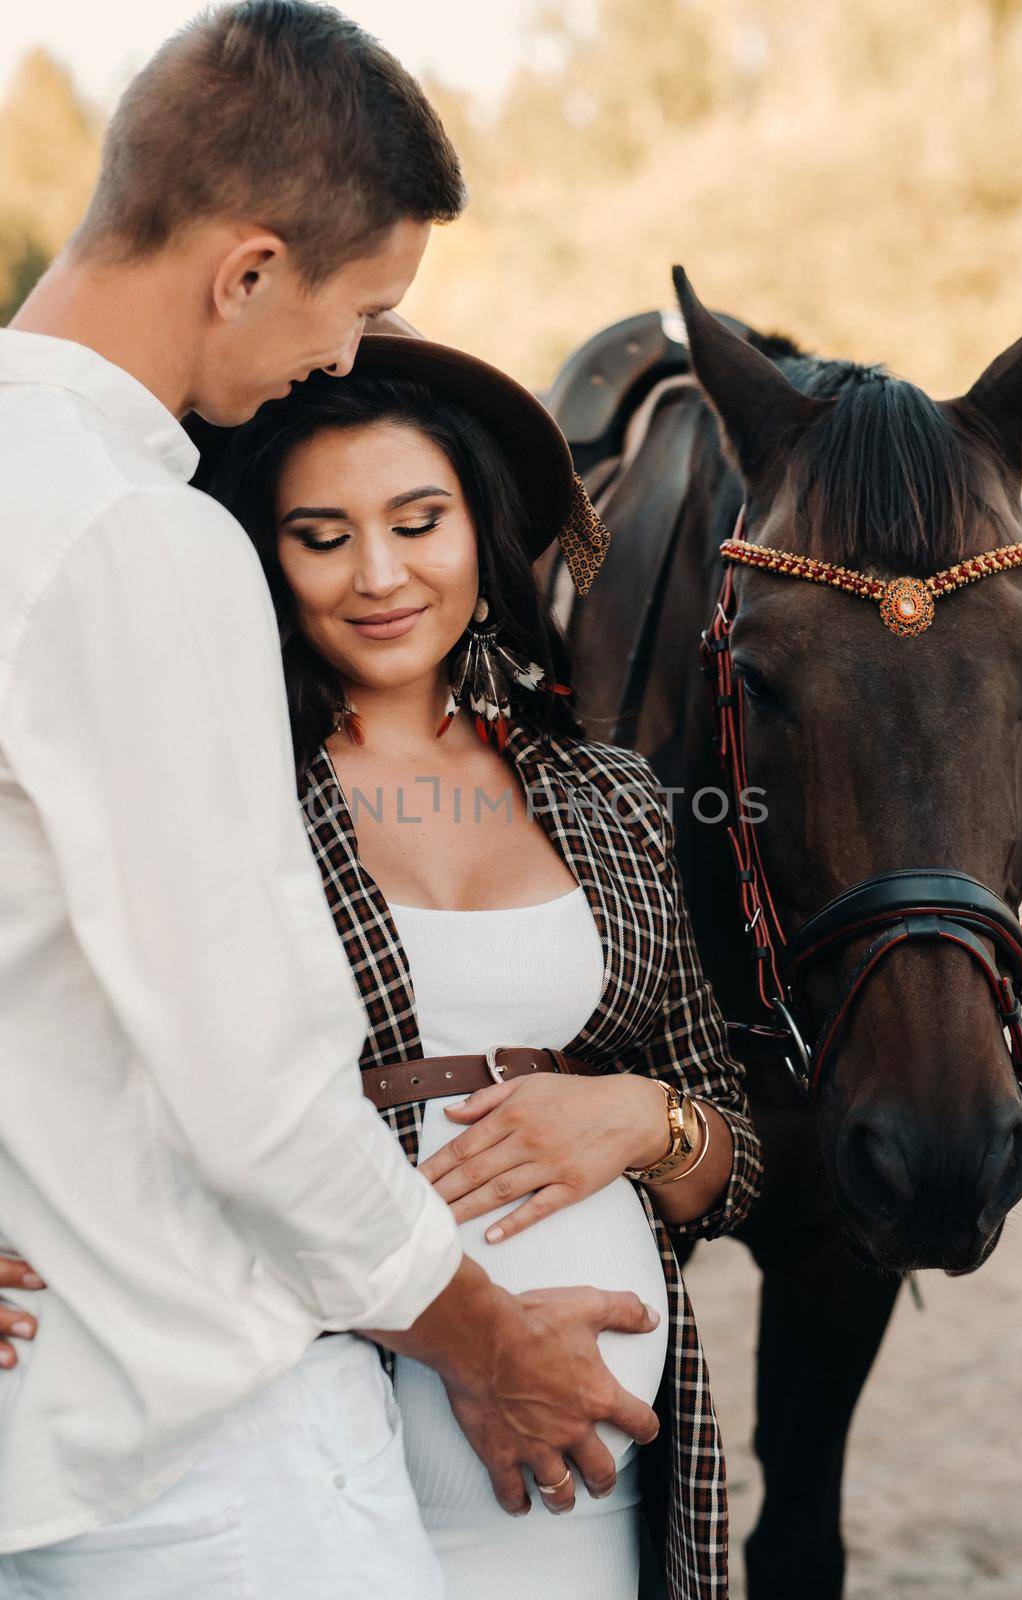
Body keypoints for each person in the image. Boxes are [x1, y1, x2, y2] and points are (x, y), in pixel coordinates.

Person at [0, 5, 662, 1595]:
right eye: (355, 306)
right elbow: (249, 1078)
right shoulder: (133, 538)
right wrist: (488, 1348)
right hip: (197, 1449)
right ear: (245, 268)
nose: (345, 359)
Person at [193, 333, 764, 1596]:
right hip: (316, 1452)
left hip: (600, 1481)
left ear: (479, 534)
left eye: (419, 520)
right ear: (264, 558)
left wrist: (644, 1119)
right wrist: (484, 1342)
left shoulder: (606, 796)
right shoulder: (221, 798)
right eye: (322, 535)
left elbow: (733, 1160)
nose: (380, 574)